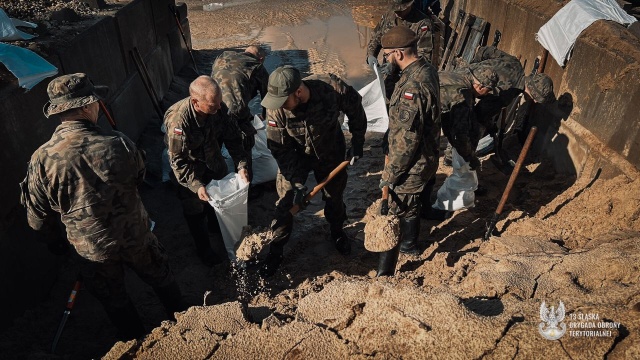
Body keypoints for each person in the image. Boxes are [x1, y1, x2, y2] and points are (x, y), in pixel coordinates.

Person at [20, 73, 184, 340]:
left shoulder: (42, 160)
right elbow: (139, 177)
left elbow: (37, 218)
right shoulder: (118, 143)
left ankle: (136, 341)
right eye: (95, 101)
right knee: (160, 276)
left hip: (92, 248)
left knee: (114, 298)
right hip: (136, 235)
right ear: (86, 106)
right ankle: (185, 320)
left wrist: (55, 242)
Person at [259, 66, 367, 277]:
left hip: (330, 150)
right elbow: (280, 149)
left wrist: (358, 141)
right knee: (286, 202)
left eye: (283, 101)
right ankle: (276, 249)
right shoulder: (276, 107)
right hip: (295, 155)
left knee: (334, 197)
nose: (278, 106)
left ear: (298, 92)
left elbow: (356, 109)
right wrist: (295, 181)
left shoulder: (333, 89)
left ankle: (336, 232)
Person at [375, 26, 441, 276]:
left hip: (415, 161)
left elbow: (406, 141)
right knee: (419, 196)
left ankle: (408, 248)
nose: (385, 60)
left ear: (399, 54)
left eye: (387, 55)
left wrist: (390, 175)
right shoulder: (427, 70)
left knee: (401, 206)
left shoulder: (411, 87)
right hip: (429, 153)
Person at [163, 76, 250, 266]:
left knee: (217, 198)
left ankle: (215, 225)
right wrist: (196, 185)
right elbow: (178, 161)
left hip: (213, 160)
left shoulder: (218, 108)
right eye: (213, 105)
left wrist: (241, 165)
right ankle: (204, 249)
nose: (218, 108)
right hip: (189, 169)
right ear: (196, 102)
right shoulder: (179, 122)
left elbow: (233, 138)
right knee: (195, 208)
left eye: (219, 103)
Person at [423, 63, 498, 219]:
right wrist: (469, 157)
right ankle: (424, 210)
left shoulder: (458, 75)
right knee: (426, 165)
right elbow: (459, 134)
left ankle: (422, 205)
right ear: (479, 86)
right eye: (487, 90)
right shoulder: (462, 95)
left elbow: (447, 119)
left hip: (411, 107)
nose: (486, 94)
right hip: (420, 119)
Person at [211, 45, 269, 162]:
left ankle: (217, 175)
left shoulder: (222, 56)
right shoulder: (257, 66)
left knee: (214, 145)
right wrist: (265, 117)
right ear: (261, 59)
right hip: (236, 112)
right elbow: (267, 97)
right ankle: (244, 176)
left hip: (213, 107)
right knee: (244, 144)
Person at [367, 0, 435, 99]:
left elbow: (425, 57)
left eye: (400, 10)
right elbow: (376, 38)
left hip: (410, 79)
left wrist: (395, 65)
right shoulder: (389, 16)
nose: (397, 13)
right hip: (388, 73)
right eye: (395, 10)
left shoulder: (422, 24)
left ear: (409, 5)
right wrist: (371, 54)